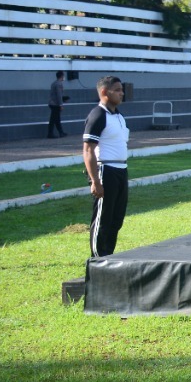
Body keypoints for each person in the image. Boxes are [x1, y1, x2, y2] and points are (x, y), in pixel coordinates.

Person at [81, 76, 129, 257]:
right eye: (117, 90)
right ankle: (98, 259)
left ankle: (108, 256)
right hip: (105, 170)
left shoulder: (119, 116)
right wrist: (95, 180)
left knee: (116, 218)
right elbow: (88, 151)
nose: (121, 93)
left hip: (121, 170)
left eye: (121, 90)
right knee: (103, 218)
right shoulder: (98, 115)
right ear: (104, 92)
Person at [47, 71, 69, 138]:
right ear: (61, 76)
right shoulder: (59, 84)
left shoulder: (54, 83)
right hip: (55, 104)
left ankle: (60, 132)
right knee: (54, 120)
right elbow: (59, 95)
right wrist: (61, 104)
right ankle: (51, 134)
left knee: (56, 119)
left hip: (52, 103)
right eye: (63, 76)